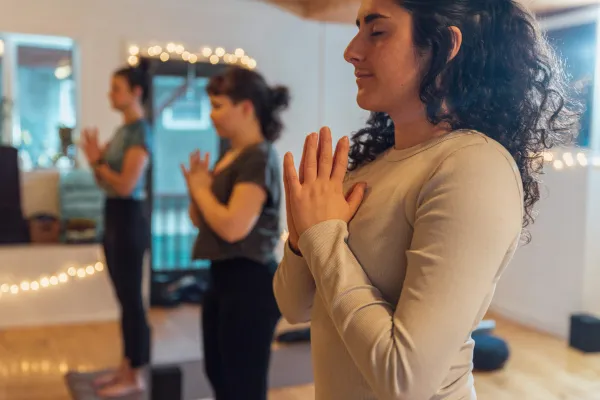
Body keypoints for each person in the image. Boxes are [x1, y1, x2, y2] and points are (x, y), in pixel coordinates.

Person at [274, 0, 579, 399]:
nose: (351, 50)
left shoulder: (473, 165)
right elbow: (295, 307)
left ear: (445, 45)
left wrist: (324, 235)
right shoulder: (370, 166)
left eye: (377, 31)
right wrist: (302, 236)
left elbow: (405, 379)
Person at [181, 66, 288, 400]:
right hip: (224, 278)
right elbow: (202, 220)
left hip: (250, 284)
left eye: (218, 105)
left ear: (246, 108)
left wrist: (201, 190)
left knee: (243, 385)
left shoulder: (258, 156)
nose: (212, 115)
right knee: (220, 374)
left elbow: (232, 227)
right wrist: (197, 189)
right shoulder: (233, 155)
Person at [80, 64, 152, 397]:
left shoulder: (140, 131)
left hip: (128, 218)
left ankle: (136, 373)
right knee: (124, 299)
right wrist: (95, 161)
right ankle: (126, 366)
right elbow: (103, 180)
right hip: (113, 215)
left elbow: (125, 184)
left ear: (136, 91)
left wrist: (97, 161)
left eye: (117, 88)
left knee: (133, 301)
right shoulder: (123, 132)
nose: (111, 94)